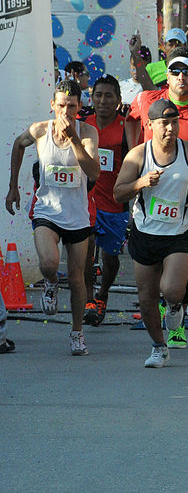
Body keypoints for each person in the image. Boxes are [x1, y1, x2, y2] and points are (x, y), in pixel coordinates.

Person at [113, 99, 188, 367]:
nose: (170, 128)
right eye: (164, 123)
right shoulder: (138, 155)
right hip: (145, 232)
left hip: (178, 232)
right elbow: (118, 193)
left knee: (172, 290)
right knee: (147, 299)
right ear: (150, 125)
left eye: (174, 122)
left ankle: (174, 306)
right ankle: (159, 347)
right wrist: (140, 182)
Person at [6, 80, 100, 355]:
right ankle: (49, 282)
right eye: (61, 105)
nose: (66, 112)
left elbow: (93, 172)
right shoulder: (40, 130)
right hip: (47, 210)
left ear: (80, 107)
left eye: (72, 106)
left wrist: (73, 139)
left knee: (77, 277)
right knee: (49, 263)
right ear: (53, 106)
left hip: (77, 215)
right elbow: (18, 144)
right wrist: (14, 186)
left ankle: (77, 333)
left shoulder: (87, 133)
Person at [83, 76, 131, 326]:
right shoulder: (83, 125)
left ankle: (103, 294)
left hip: (115, 204)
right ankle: (90, 299)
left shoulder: (126, 128)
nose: (102, 101)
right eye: (98, 95)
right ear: (91, 99)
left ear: (118, 101)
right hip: (87, 201)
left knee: (110, 258)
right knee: (86, 250)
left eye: (108, 96)